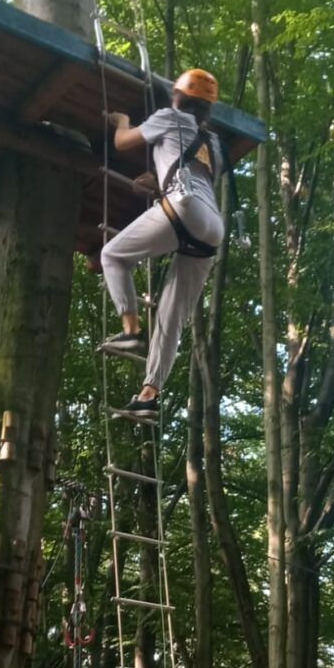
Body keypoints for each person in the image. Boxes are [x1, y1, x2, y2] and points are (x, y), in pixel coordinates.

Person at [97, 68, 226, 420]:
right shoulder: (212, 142)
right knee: (171, 316)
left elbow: (123, 142)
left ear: (178, 97)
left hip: (184, 210)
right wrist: (158, 183)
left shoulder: (169, 116)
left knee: (113, 255)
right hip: (212, 228)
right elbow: (193, 176)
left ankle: (131, 330)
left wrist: (121, 120)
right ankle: (149, 394)